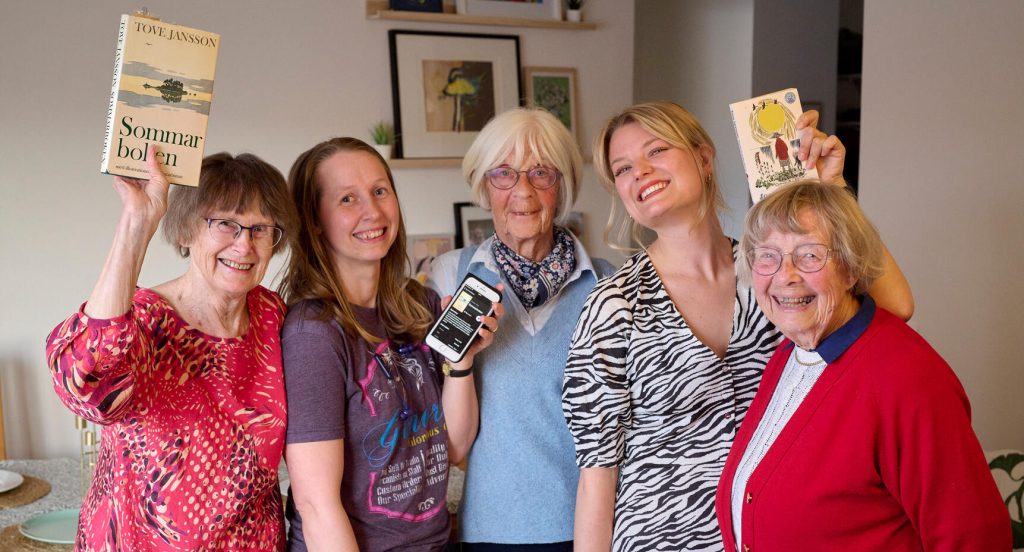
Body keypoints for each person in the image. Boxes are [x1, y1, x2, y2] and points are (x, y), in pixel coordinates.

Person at [562, 101, 915, 551]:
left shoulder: (771, 273)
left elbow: (896, 306)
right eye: (623, 168)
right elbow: (596, 479)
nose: (641, 172)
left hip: (780, 536)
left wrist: (834, 189)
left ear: (704, 159)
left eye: (656, 151)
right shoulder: (614, 305)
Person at [714, 180, 1009, 551]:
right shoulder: (788, 356)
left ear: (851, 268)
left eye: (809, 255)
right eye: (768, 255)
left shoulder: (907, 378)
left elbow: (974, 538)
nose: (785, 275)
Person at [46, 147, 297, 550]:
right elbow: (85, 384)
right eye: (225, 224)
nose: (244, 245)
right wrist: (136, 225)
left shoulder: (274, 318)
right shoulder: (145, 319)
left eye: (260, 229)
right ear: (185, 230)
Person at [279, 137, 501, 551]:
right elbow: (316, 503)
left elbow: (451, 448)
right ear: (313, 220)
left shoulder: (420, 305)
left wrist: (463, 361)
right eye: (348, 198)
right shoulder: (313, 333)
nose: (373, 211)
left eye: (380, 191)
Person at [427, 107, 616, 550]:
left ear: (563, 184)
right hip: (490, 528)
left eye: (541, 173)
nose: (523, 191)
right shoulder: (448, 275)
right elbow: (443, 436)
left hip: (590, 527)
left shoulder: (608, 284)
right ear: (483, 185)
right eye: (504, 174)